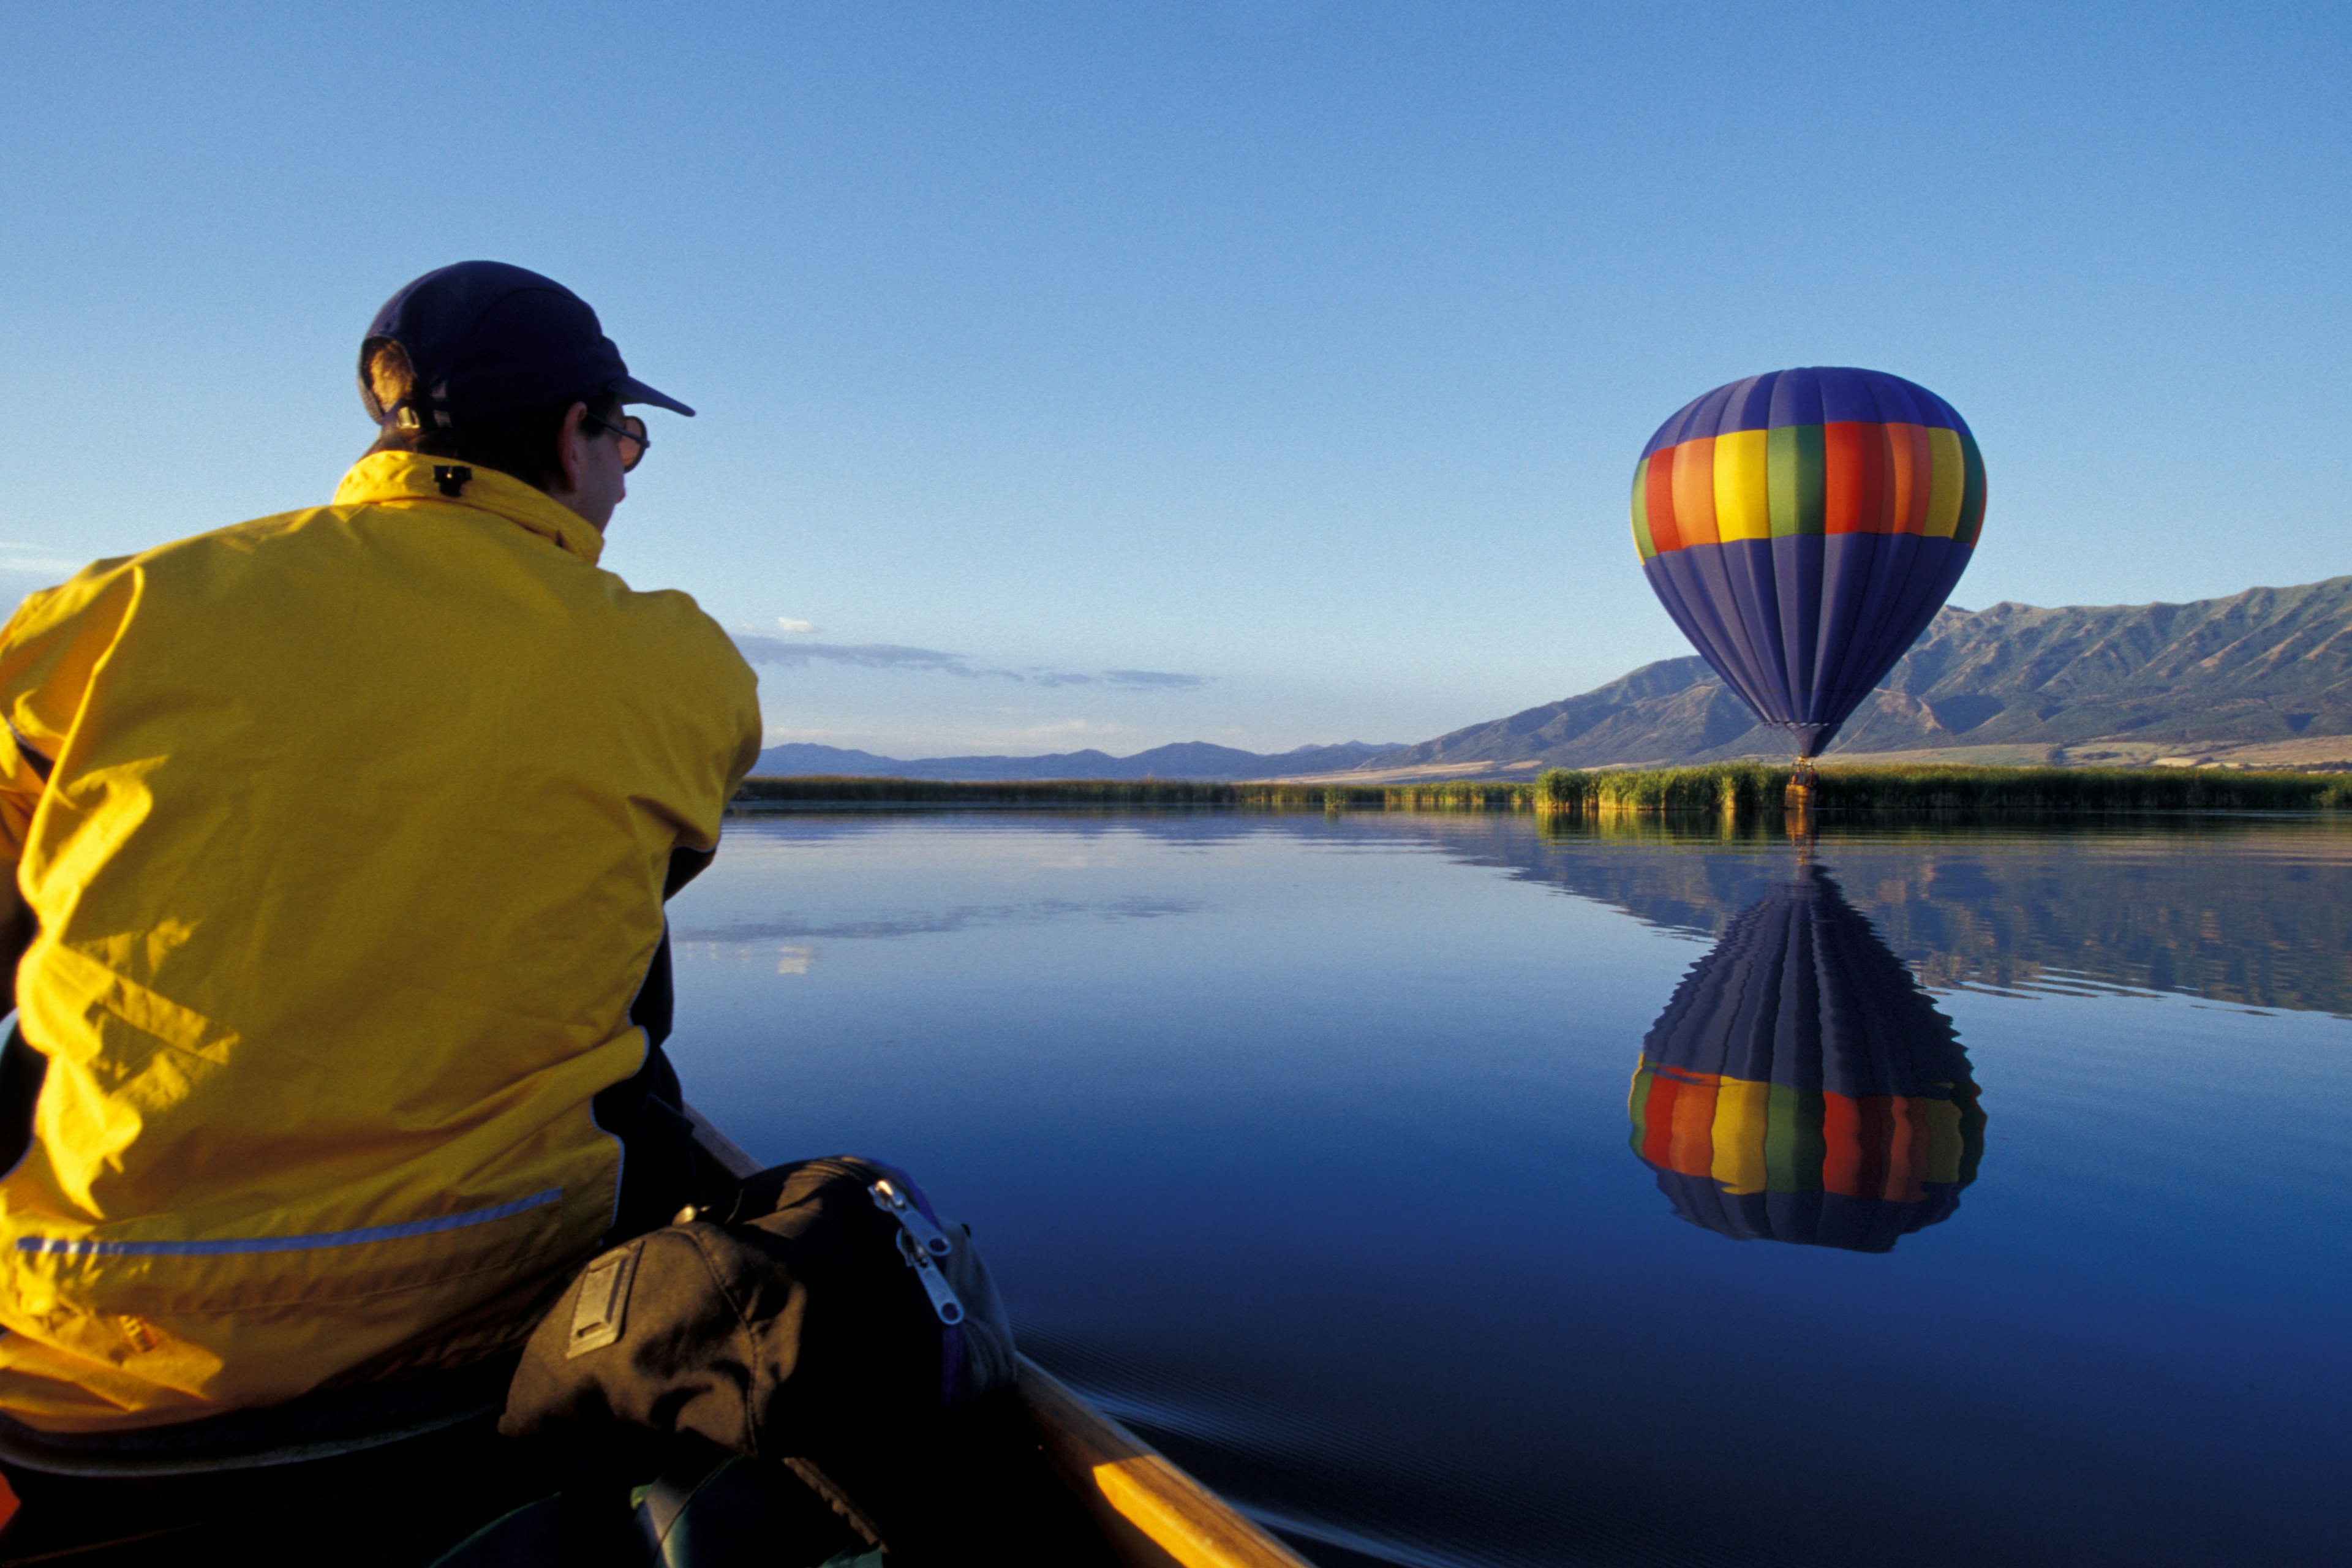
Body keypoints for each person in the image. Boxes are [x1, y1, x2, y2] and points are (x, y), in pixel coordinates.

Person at [0, 262, 761, 1433]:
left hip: (86, 1338)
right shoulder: (683, 665)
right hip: (499, 1299)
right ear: (576, 437)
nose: (625, 479)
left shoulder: (111, 617)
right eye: (629, 444)